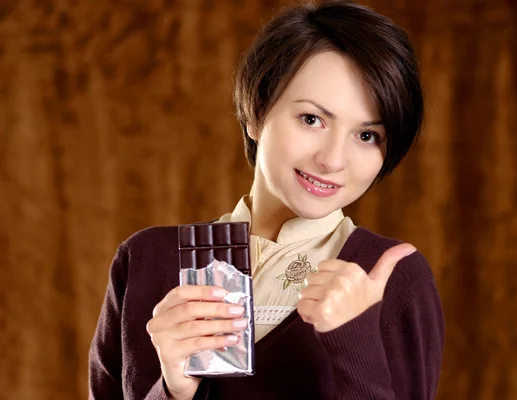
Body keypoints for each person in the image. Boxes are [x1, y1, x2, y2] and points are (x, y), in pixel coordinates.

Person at [88, 1, 445, 399]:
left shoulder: (393, 278)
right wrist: (172, 389)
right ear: (256, 112)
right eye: (312, 119)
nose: (332, 160)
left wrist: (353, 340)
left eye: (366, 136)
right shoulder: (145, 260)